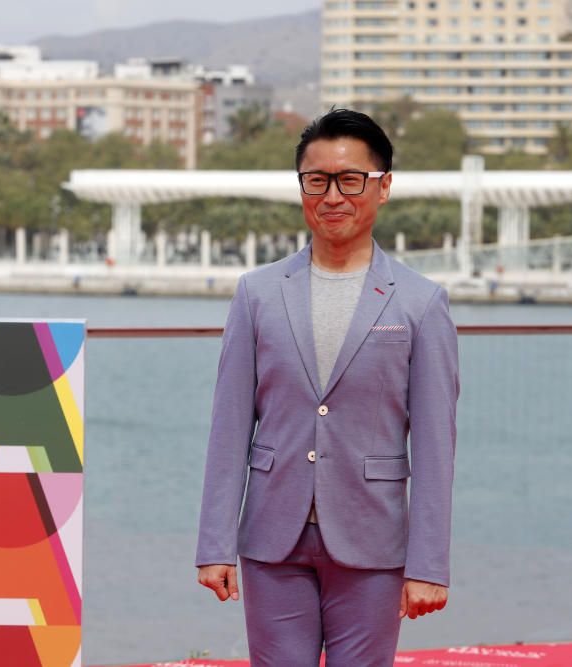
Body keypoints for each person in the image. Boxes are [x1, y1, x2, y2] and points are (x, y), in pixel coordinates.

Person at [195, 108, 459, 666]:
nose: (332, 196)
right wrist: (214, 544)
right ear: (301, 187)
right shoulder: (257, 294)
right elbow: (229, 428)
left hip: (373, 541)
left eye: (350, 180)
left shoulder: (421, 303)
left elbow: (435, 446)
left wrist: (428, 565)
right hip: (272, 539)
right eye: (316, 181)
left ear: (383, 187)